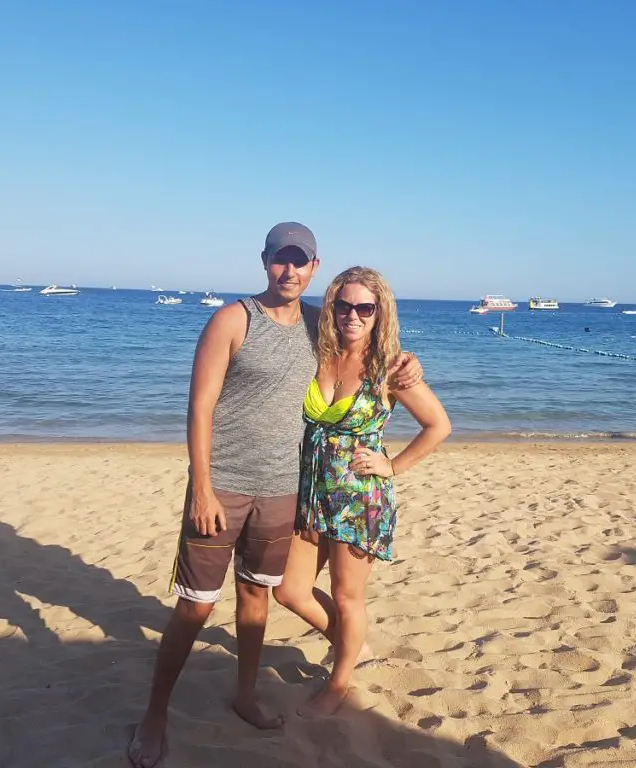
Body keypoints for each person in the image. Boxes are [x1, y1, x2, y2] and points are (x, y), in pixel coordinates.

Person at [128, 225, 422, 767]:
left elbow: (375, 352)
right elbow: (200, 408)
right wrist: (202, 487)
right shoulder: (232, 320)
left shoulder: (321, 326)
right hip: (225, 486)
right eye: (279, 261)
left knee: (257, 598)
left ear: (314, 269)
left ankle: (245, 697)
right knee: (195, 608)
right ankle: (155, 715)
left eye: (300, 262)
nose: (289, 271)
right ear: (264, 262)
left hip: (287, 492)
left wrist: (409, 365)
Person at [274, 267, 451, 717]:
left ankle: (339, 683)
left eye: (365, 308)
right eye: (344, 305)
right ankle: (352, 645)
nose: (353, 315)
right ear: (331, 307)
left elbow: (438, 425)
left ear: (379, 313)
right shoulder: (319, 350)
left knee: (347, 595)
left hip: (359, 499)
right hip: (312, 493)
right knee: (289, 590)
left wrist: (391, 466)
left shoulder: (388, 368)